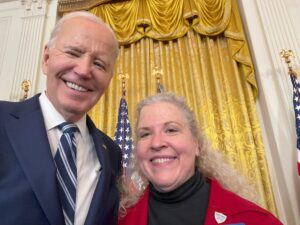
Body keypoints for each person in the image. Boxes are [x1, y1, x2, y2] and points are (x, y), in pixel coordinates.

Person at [0, 11, 122, 225]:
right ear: (47, 59)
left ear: (109, 79)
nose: (84, 71)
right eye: (73, 53)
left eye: (99, 64)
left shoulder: (112, 154)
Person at [118, 92, 283, 225]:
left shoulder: (255, 219)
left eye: (171, 130)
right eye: (145, 134)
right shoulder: (118, 220)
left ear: (197, 144)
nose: (157, 143)